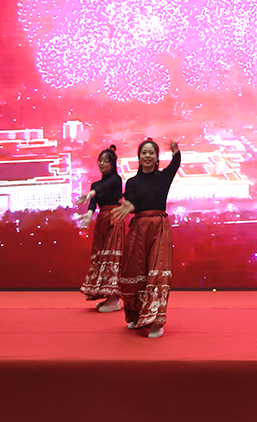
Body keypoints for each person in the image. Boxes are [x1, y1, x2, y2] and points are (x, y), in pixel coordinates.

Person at [112, 138, 180, 338]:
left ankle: (156, 322)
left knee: (157, 273)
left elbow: (175, 163)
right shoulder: (132, 182)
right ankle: (136, 315)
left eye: (151, 153)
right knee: (135, 271)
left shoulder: (163, 177)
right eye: (144, 153)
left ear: (157, 157)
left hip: (159, 228)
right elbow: (132, 202)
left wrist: (176, 151)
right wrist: (129, 206)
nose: (147, 156)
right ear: (139, 157)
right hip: (139, 229)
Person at [77, 145, 126, 312]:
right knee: (102, 257)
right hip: (102, 221)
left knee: (113, 256)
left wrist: (92, 193)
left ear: (112, 164)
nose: (102, 163)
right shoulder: (95, 184)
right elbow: (93, 203)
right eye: (100, 160)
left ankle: (114, 299)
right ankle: (108, 296)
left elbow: (103, 188)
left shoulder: (116, 179)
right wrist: (89, 214)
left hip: (114, 219)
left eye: (106, 161)